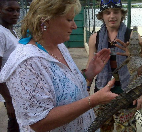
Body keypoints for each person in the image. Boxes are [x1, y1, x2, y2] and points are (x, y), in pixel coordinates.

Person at [0, 0, 119, 131]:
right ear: (46, 21)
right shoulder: (27, 63)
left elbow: (61, 85)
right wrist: (93, 101)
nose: (75, 26)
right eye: (69, 20)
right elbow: (39, 123)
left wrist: (87, 74)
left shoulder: (59, 46)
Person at [86, 0, 142, 131]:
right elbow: (90, 65)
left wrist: (141, 93)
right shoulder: (94, 38)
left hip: (127, 93)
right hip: (102, 91)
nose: (112, 16)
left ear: (122, 14)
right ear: (102, 15)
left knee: (125, 129)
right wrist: (86, 87)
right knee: (104, 127)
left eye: (116, 12)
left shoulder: (132, 36)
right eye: (107, 12)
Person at [0, 0, 20, 131]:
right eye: (10, 10)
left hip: (16, 90)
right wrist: (9, 100)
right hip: (9, 93)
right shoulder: (0, 33)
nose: (16, 14)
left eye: (18, 10)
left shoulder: (11, 31)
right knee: (15, 125)